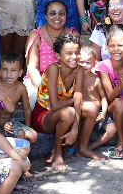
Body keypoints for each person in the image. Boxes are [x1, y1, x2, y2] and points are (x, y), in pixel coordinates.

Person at [30, 33, 84, 171]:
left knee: (90, 108)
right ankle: (57, 152)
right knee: (71, 112)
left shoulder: (79, 70)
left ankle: (82, 147)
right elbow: (55, 105)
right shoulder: (53, 69)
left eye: (77, 53)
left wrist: (75, 129)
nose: (74, 57)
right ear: (58, 55)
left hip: (63, 111)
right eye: (69, 53)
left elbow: (79, 97)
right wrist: (74, 100)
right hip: (44, 115)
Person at [94, 27, 123, 159]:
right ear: (106, 47)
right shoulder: (103, 66)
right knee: (119, 102)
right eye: (112, 46)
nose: (116, 49)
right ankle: (120, 141)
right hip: (112, 107)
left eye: (120, 45)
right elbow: (110, 96)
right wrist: (121, 84)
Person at [25, 0, 79, 94]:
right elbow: (32, 68)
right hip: (38, 81)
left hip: (67, 82)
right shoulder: (36, 35)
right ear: (46, 16)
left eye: (61, 13)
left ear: (66, 16)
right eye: (52, 13)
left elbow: (78, 64)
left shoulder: (73, 35)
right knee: (37, 100)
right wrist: (45, 90)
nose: (57, 17)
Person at [73, 45, 108, 161]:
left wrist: (103, 112)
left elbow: (103, 98)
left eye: (88, 62)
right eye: (81, 62)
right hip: (84, 111)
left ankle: (88, 147)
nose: (84, 65)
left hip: (98, 113)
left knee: (112, 130)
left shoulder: (96, 79)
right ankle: (81, 148)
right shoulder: (75, 78)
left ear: (95, 63)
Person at [0, 52, 37, 144]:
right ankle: (16, 154)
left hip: (10, 121)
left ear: (20, 72)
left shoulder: (21, 88)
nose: (9, 74)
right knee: (20, 134)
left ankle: (16, 149)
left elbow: (26, 109)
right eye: (5, 70)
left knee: (33, 136)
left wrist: (27, 127)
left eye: (13, 70)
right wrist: (2, 124)